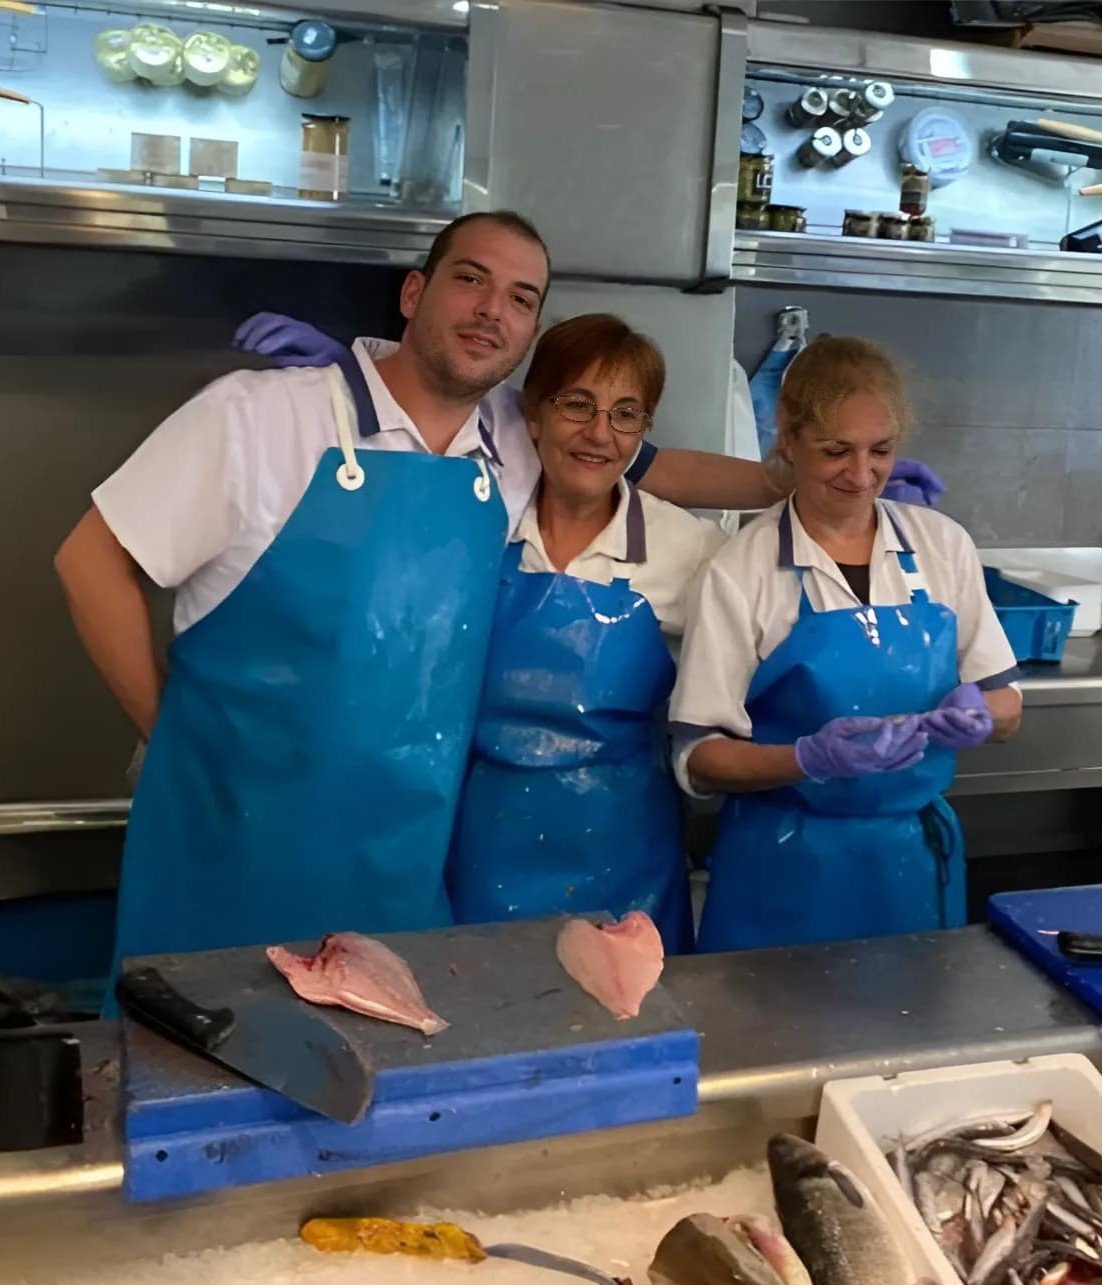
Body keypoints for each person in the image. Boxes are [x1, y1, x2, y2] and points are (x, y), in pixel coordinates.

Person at [53, 210, 786, 998]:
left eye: (520, 298)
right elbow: (91, 559)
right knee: (198, 1067)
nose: (490, 311)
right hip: (231, 837)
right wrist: (171, 741)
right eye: (470, 279)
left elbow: (643, 464)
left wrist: (801, 484)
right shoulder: (264, 416)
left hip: (399, 860)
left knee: (385, 1085)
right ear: (413, 292)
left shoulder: (510, 438)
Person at [670, 338, 1022, 954]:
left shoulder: (942, 546)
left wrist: (974, 716)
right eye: (836, 451)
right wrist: (807, 759)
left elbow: (1008, 705)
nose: (861, 476)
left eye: (880, 451)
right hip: (784, 868)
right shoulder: (741, 570)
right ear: (787, 436)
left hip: (911, 863)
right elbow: (700, 756)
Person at [447, 315, 723, 953]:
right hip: (479, 852)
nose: (600, 433)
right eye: (578, 405)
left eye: (626, 414)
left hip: (626, 871)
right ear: (534, 416)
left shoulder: (691, 551)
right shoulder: (476, 525)